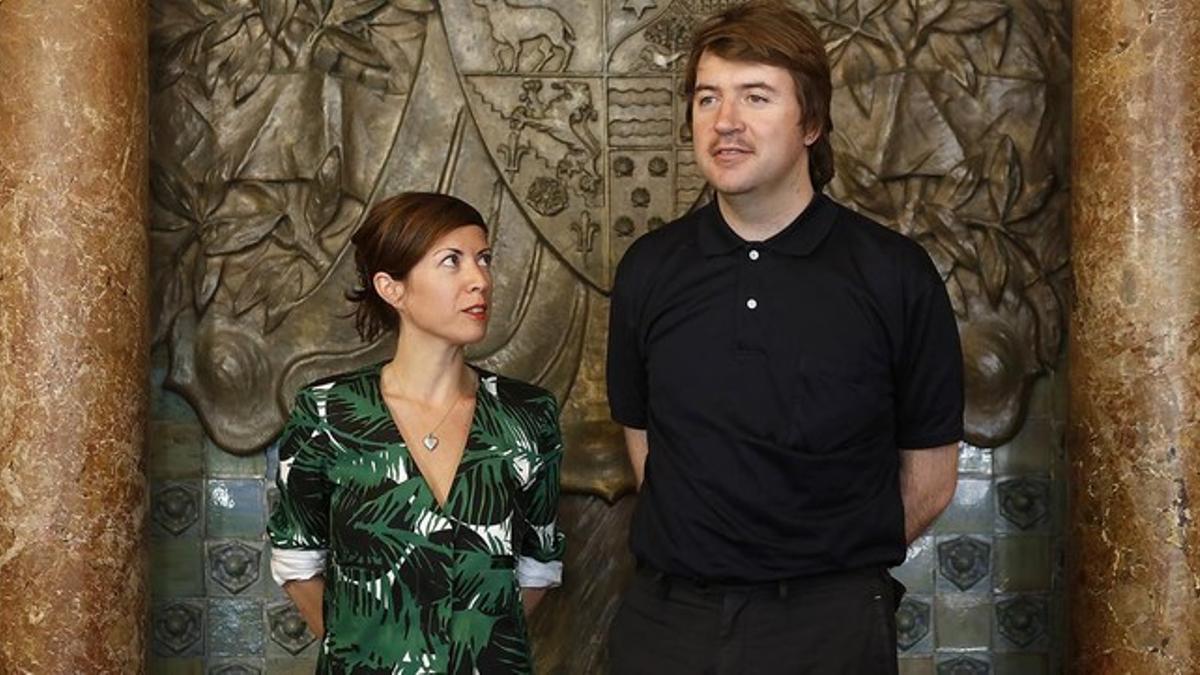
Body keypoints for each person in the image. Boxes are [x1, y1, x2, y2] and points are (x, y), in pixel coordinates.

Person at [606, 2, 964, 673]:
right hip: (666, 624)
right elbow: (647, 447)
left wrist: (821, 571)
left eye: (756, 97)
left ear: (813, 122)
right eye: (708, 97)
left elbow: (932, 476)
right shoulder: (648, 269)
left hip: (829, 629)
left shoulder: (893, 273)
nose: (726, 121)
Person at [267, 192, 565, 674]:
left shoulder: (528, 414)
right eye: (452, 261)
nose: (480, 280)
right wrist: (375, 653)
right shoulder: (328, 412)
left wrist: (465, 653)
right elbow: (296, 562)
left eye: (483, 259)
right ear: (392, 288)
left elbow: (538, 569)